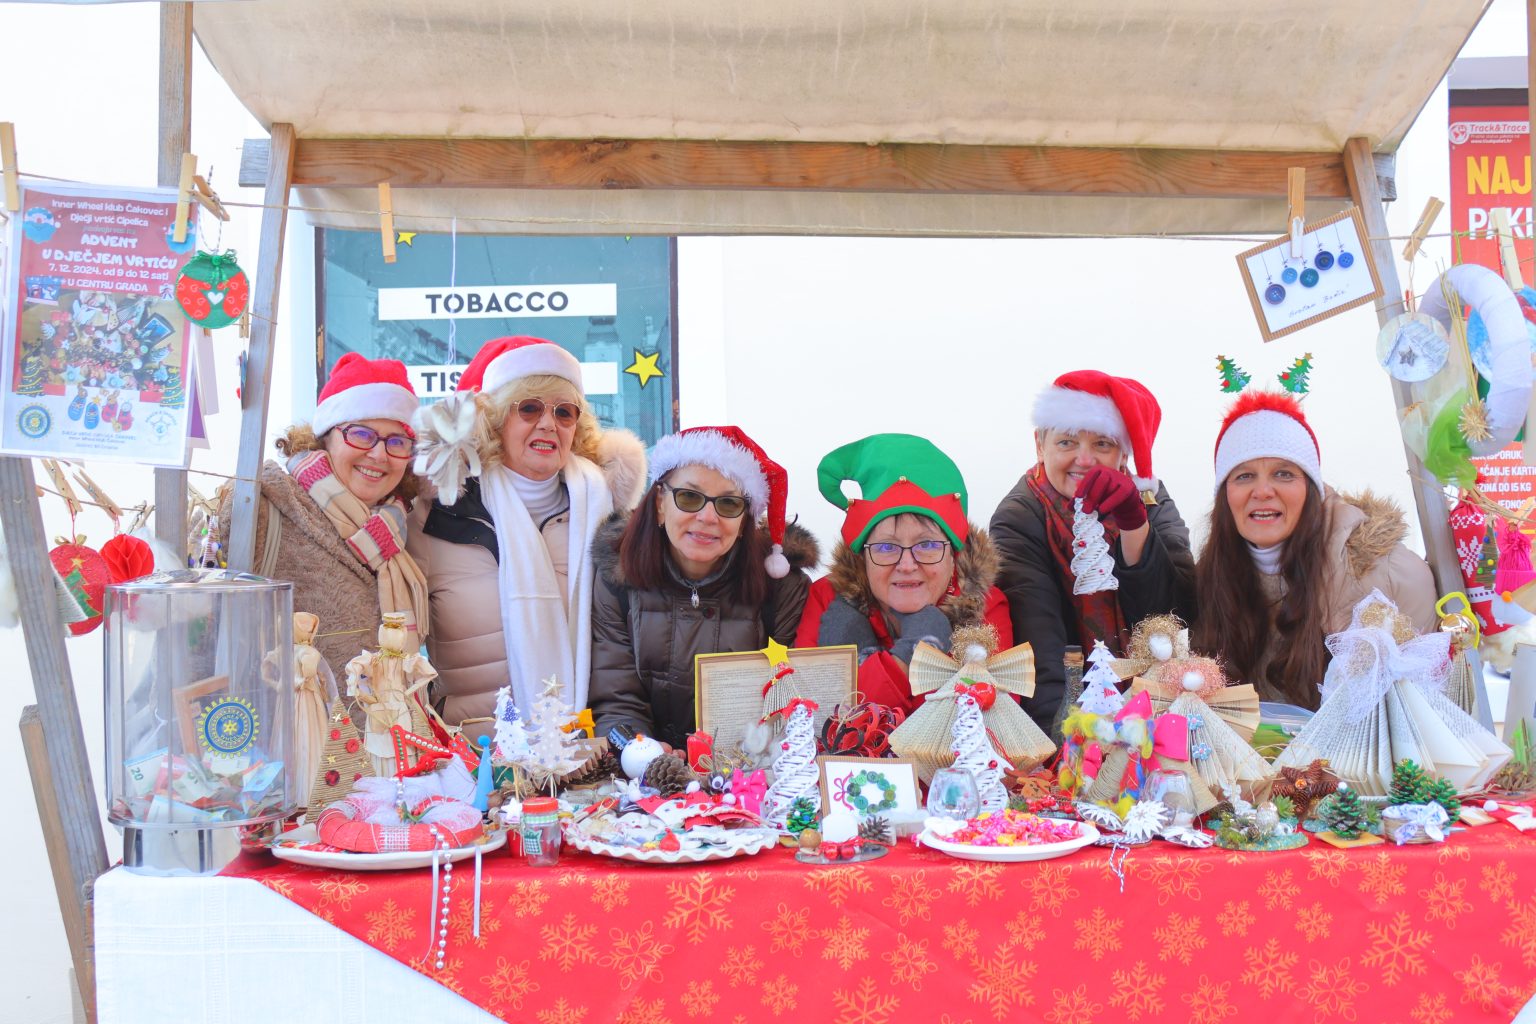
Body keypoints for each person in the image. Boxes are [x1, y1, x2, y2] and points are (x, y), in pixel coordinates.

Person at [407, 336, 646, 731]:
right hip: (470, 753)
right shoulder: (438, 518)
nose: (549, 424)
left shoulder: (607, 519)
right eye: (530, 408)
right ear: (496, 421)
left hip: (586, 750)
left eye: (564, 412)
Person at [1192, 390, 1436, 709]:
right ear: (1225, 495)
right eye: (1244, 475)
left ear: (1311, 489)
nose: (1262, 491)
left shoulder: (1390, 575)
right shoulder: (1209, 579)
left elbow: (1425, 710)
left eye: (1283, 474)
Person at [588, 426, 819, 748]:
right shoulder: (617, 576)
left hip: (748, 764)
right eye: (689, 497)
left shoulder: (783, 589)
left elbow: (792, 703)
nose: (708, 517)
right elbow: (616, 700)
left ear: (745, 521)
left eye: (728, 503)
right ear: (659, 504)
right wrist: (642, 753)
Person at [990, 370, 1196, 730]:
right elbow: (1039, 646)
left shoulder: (1150, 498)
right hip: (1072, 713)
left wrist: (1135, 526)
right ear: (1040, 444)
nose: (1084, 460)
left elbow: (1176, 615)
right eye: (1067, 442)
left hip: (1159, 710)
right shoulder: (1018, 516)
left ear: (1123, 453)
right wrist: (1065, 740)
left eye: (1102, 444)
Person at [217, 352, 430, 679]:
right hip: (283, 712)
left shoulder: (401, 530)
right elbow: (206, 633)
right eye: (361, 434)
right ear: (325, 436)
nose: (378, 454)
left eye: (397, 441)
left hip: (391, 711)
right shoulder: (265, 507)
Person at [795, 433, 1012, 715]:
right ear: (863, 556)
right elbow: (807, 717)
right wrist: (906, 657)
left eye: (927, 545)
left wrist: (872, 674)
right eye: (887, 547)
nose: (907, 565)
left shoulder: (984, 609)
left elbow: (993, 719)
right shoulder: (827, 600)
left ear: (953, 555)